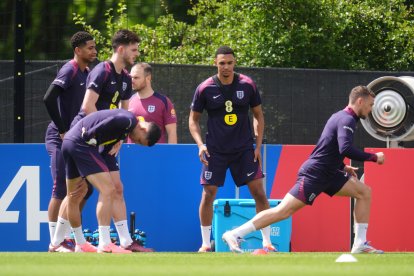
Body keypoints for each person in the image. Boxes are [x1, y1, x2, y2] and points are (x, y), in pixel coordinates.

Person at [222, 85, 385, 254]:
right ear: (360, 101)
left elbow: (328, 147)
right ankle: (234, 234)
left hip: (329, 172)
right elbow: (345, 148)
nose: (371, 109)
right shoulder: (347, 120)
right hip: (316, 174)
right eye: (371, 104)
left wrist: (342, 166)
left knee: (364, 192)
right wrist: (374, 157)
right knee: (282, 211)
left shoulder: (340, 117)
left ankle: (359, 244)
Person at [52, 29, 151, 252]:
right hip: (89, 137)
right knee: (77, 191)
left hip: (109, 139)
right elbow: (88, 107)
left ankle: (126, 241)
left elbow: (126, 113)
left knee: (117, 187)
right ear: (121, 49)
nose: (136, 54)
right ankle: (60, 241)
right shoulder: (101, 71)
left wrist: (120, 137)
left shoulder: (126, 79)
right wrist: (104, 137)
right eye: (134, 50)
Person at [188, 46, 273, 253]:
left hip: (244, 149)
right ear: (215, 64)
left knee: (259, 193)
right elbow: (193, 120)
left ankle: (267, 242)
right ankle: (206, 244)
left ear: (234, 63)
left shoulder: (248, 84)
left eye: (230, 63)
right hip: (215, 151)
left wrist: (258, 146)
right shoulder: (205, 88)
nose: (226, 67)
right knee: (208, 194)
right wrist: (200, 145)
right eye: (222, 63)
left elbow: (258, 115)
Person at [61, 108, 161, 253]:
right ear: (144, 129)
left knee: (74, 195)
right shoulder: (129, 121)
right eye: (139, 140)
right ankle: (104, 243)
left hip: (69, 142)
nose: (134, 141)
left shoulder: (127, 127)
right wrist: (90, 134)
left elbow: (108, 129)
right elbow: (111, 121)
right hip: (82, 143)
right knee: (108, 190)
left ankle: (80, 244)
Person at [43, 31, 97, 252]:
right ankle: (56, 242)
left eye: (95, 47)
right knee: (61, 191)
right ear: (78, 50)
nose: (94, 51)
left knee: (86, 189)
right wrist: (63, 129)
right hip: (60, 137)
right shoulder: (70, 69)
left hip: (78, 139)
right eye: (90, 48)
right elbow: (48, 98)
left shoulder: (88, 73)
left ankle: (68, 237)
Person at [127, 62, 177, 144]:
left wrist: (171, 155)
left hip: (157, 155)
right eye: (131, 77)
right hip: (133, 155)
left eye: (136, 77)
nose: (132, 81)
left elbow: (172, 133)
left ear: (148, 78)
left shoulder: (163, 101)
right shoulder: (128, 101)